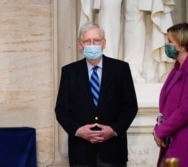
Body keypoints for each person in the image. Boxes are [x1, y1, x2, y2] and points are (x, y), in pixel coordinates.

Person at [55, 22, 138, 167]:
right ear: (80, 45)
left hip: (113, 152)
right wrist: (79, 130)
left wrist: (113, 130)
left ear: (103, 43)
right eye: (87, 41)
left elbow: (130, 107)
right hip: (81, 153)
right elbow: (61, 110)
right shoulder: (69, 72)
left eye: (96, 41)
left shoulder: (120, 69)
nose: (92, 44)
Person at [153, 23, 188, 167]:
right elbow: (167, 106)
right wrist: (158, 128)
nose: (167, 46)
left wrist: (161, 130)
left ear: (182, 45)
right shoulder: (176, 70)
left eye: (170, 42)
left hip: (183, 141)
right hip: (171, 138)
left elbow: (185, 110)